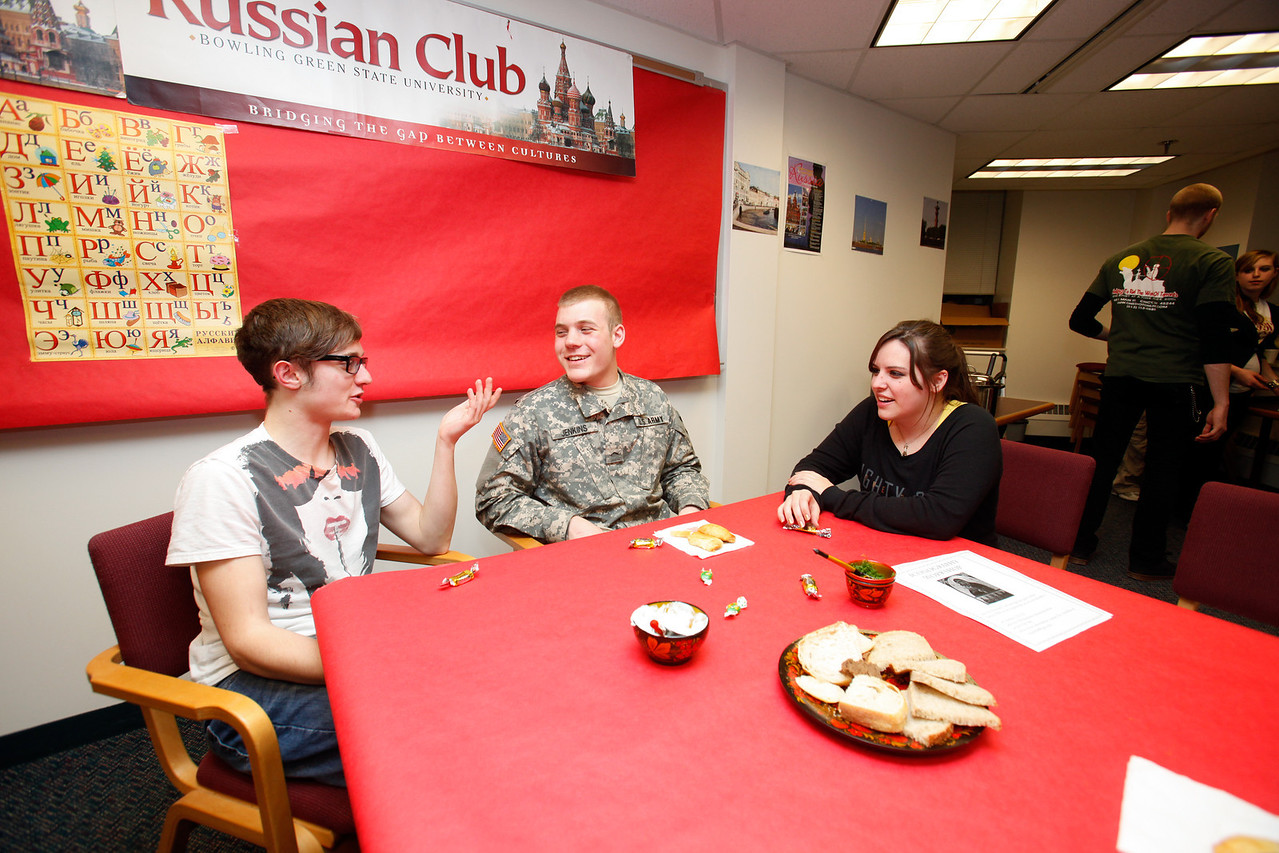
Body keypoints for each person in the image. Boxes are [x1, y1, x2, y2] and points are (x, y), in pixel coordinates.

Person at [166, 298, 500, 785]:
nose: (364, 378)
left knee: (479, 690)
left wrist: (446, 442)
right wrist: (381, 664)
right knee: (445, 727)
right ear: (289, 374)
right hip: (250, 694)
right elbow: (248, 642)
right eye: (349, 363)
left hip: (347, 645)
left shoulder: (358, 449)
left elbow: (431, 538)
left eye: (363, 363)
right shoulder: (222, 478)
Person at [1068, 183, 1236, 580]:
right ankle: (1145, 560)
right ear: (1211, 215)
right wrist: (1222, 401)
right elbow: (1215, 339)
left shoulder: (1121, 258)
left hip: (1122, 376)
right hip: (1177, 381)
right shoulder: (1212, 262)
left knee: (1101, 460)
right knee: (1163, 469)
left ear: (1168, 214)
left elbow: (1080, 320)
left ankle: (1076, 544)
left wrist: (1118, 337)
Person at [475, 285, 709, 543]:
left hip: (662, 546)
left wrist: (690, 510)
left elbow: (681, 470)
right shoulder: (533, 412)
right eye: (561, 332)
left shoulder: (652, 397)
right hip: (584, 559)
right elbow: (493, 498)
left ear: (616, 336)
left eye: (585, 329)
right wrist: (568, 526)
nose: (571, 342)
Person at [776, 319, 1001, 545]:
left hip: (958, 565)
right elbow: (812, 468)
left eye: (895, 373)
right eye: (876, 371)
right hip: (883, 549)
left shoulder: (973, 427)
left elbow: (938, 517)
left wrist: (832, 496)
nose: (877, 383)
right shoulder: (872, 411)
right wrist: (804, 493)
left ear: (937, 381)